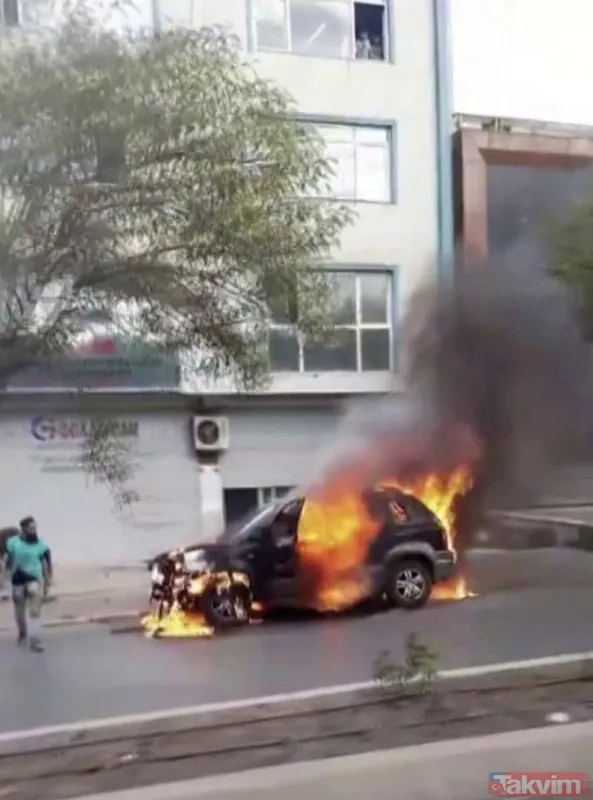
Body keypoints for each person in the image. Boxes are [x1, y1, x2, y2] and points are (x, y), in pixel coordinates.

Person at [6, 517, 52, 652]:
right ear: (23, 529)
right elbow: (8, 561)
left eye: (35, 528)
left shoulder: (41, 545)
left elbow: (47, 562)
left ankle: (35, 641)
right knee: (19, 614)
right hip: (17, 581)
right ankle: (22, 632)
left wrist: (47, 581)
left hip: (33, 580)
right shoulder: (13, 543)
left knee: (34, 612)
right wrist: (6, 571)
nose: (33, 531)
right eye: (30, 528)